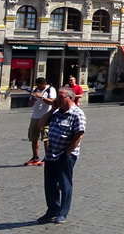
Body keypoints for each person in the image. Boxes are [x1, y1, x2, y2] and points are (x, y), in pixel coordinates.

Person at [36, 89, 86, 224]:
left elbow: (78, 136)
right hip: (51, 154)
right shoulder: (56, 113)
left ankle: (63, 212)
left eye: (61, 97)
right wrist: (52, 109)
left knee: (64, 184)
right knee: (50, 184)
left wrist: (67, 153)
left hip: (66, 155)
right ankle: (52, 210)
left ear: (69, 98)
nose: (57, 99)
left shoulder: (77, 114)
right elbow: (40, 124)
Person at [26, 78, 57, 165]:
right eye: (37, 85)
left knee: (45, 137)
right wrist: (32, 101)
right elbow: (29, 104)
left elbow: (52, 102)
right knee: (33, 137)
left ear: (44, 83)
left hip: (45, 116)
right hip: (34, 116)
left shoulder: (50, 89)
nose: (38, 87)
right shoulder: (35, 90)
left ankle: (47, 157)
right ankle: (35, 157)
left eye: (40, 86)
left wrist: (42, 97)